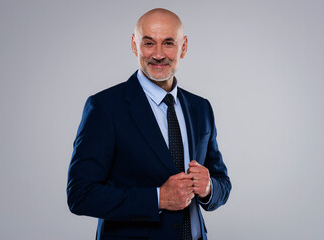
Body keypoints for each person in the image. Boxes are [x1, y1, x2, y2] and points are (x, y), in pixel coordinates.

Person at [67, 8, 231, 240]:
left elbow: (222, 181)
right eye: (148, 43)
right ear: (134, 45)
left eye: (168, 43)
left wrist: (208, 189)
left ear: (184, 47)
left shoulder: (200, 107)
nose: (158, 54)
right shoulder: (105, 107)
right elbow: (80, 195)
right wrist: (158, 198)